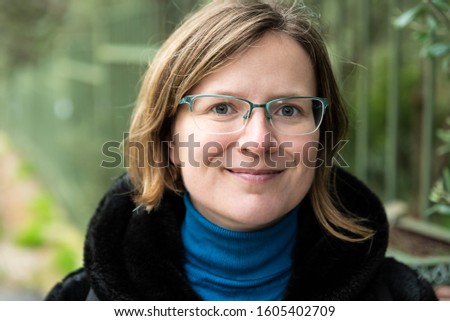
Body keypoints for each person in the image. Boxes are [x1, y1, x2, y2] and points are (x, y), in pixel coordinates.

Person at [46, 0, 437, 300]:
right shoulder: (76, 307)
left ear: (321, 138)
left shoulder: (403, 302)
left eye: (288, 109)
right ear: (168, 137)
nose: (258, 141)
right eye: (221, 108)